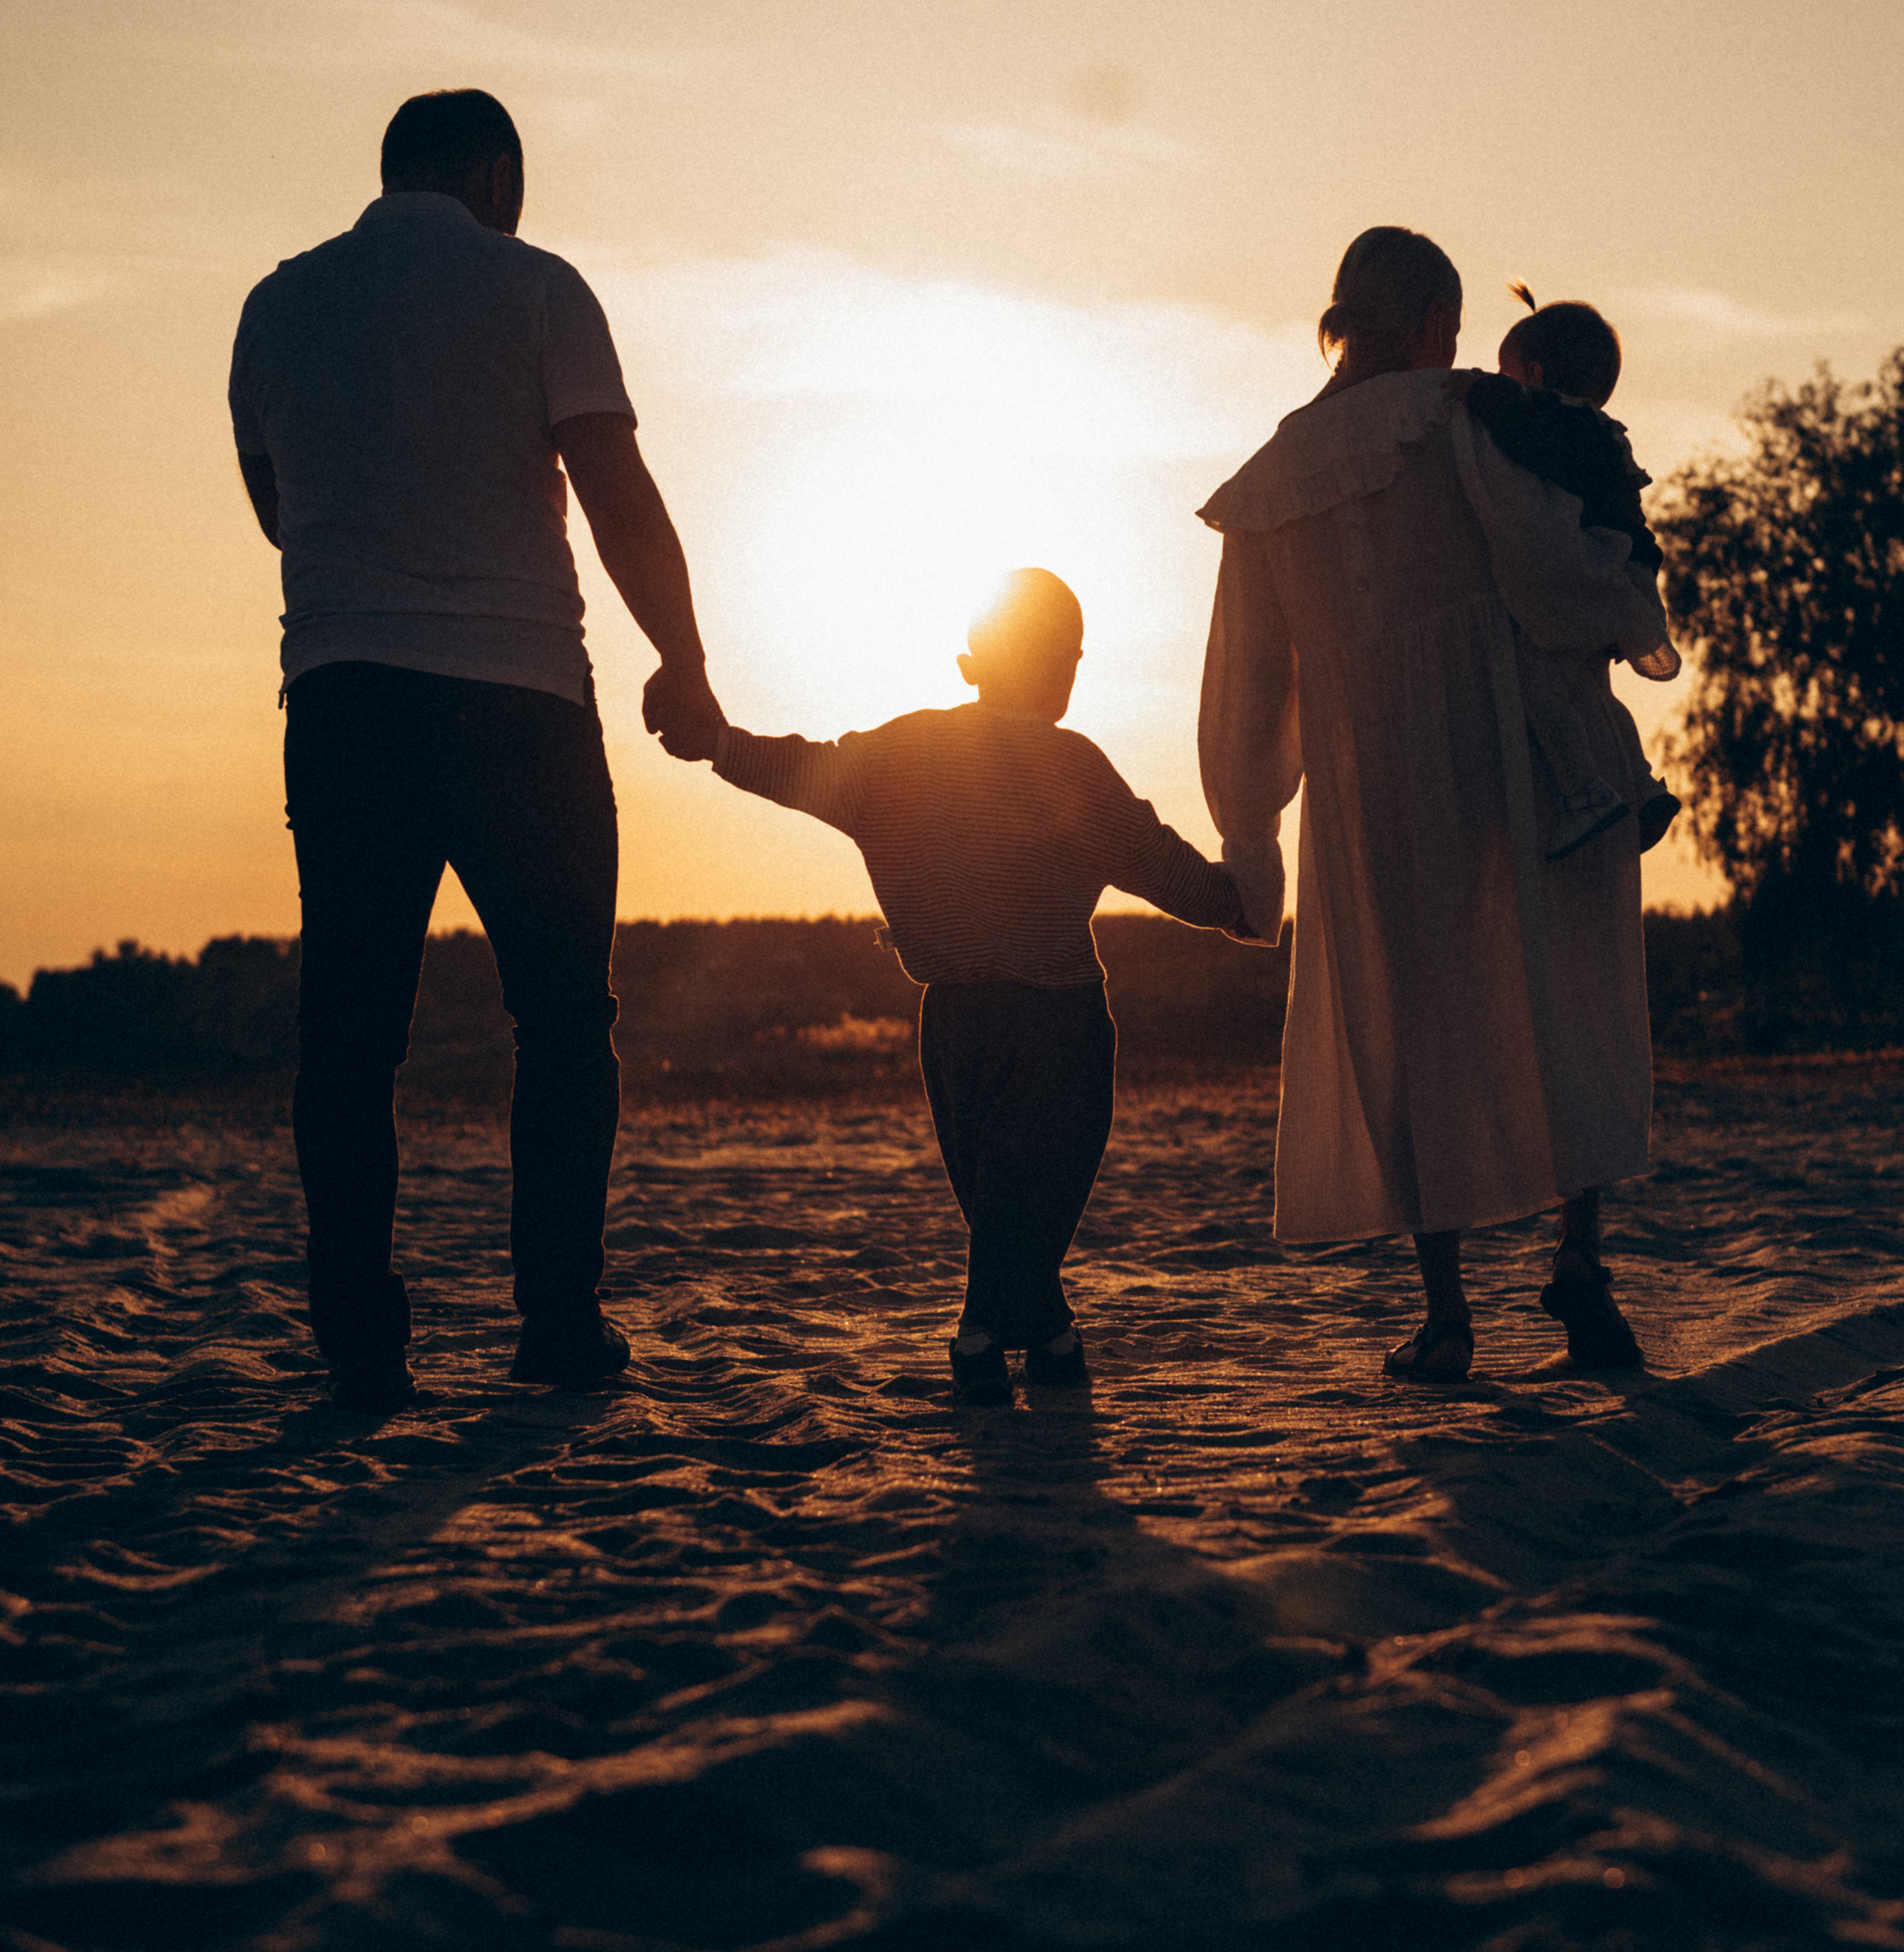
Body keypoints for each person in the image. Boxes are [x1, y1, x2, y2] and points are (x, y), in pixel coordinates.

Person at [229, 87, 723, 1411]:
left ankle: (360, 1344)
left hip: (345, 699)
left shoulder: (277, 305)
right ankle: (557, 1324)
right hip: (520, 702)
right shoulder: (540, 289)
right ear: (495, 174)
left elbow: (280, 508)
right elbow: (615, 493)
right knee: (561, 1023)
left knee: (350, 1038)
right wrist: (683, 658)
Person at [1197, 225, 1673, 1382]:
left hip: (1371, 779)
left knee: (1413, 1020)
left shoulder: (1270, 481)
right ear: (1426, 324)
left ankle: (1447, 1313)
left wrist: (1251, 822)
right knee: (1564, 985)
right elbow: (1543, 561)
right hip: (1505, 741)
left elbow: (1248, 678)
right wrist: (1625, 599)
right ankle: (1580, 1255)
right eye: (1451, 327)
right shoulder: (1461, 419)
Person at [658, 568, 1251, 1403]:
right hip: (1057, 1015)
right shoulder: (1071, 765)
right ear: (1054, 665)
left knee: (996, 1186)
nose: (1073, 670)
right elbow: (1158, 862)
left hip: (953, 1018)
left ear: (976, 661)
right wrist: (1236, 904)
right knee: (1026, 1185)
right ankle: (998, 1335)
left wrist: (721, 744)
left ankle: (1038, 1337)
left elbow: (804, 769)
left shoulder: (904, 753)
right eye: (1070, 655)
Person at [1463, 293, 1682, 858]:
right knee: (1588, 688)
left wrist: (1476, 390)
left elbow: (1520, 436)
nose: (1502, 384)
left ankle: (1584, 791)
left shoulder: (1562, 425)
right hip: (1621, 575)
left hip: (1596, 571)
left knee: (1535, 680)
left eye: (1508, 373)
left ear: (1535, 376)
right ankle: (1642, 783)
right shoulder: (1599, 432)